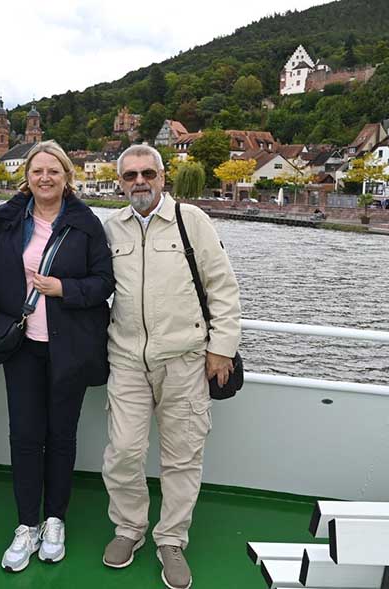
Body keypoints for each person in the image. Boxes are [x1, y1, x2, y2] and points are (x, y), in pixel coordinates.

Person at [100, 144, 241, 589]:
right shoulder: (111, 228)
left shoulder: (191, 220)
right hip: (126, 359)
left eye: (147, 174)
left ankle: (172, 539)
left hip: (184, 359)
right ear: (120, 182)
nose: (139, 182)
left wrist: (221, 347)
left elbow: (223, 286)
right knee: (123, 451)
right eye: (130, 176)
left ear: (163, 177)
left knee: (182, 457)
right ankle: (129, 528)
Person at [0, 140, 114, 572]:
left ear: (67, 176)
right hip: (21, 347)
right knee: (24, 437)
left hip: (68, 346)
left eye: (53, 171)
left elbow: (103, 282)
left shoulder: (87, 223)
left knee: (61, 437)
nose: (44, 177)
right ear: (27, 177)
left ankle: (55, 520)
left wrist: (64, 290)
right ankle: (26, 524)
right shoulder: (8, 219)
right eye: (37, 171)